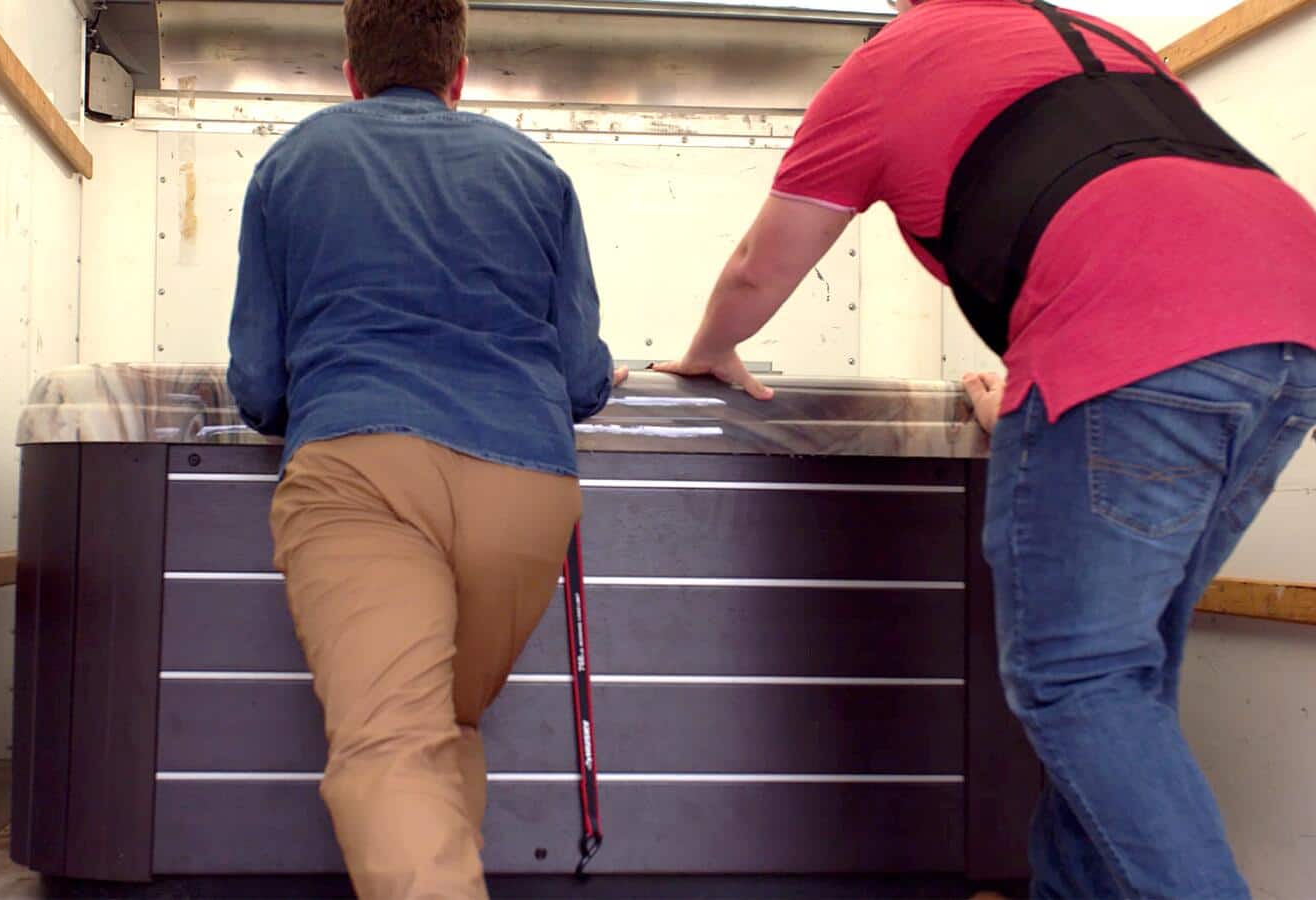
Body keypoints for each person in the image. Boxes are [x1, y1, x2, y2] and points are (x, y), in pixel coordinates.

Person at [656, 0, 1316, 897]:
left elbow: (758, 267)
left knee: (1077, 678)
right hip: (1289, 334)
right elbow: (1143, 206)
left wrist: (705, 354)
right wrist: (1050, 415)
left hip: (1128, 343)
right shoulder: (1103, 36)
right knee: (1126, 674)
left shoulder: (886, 63)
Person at [226, 1, 623, 896]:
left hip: (361, 475)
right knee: (442, 728)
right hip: (524, 490)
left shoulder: (292, 164)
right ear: (460, 74)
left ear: (350, 75)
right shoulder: (537, 173)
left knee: (391, 748)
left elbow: (257, 386)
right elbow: (580, 379)